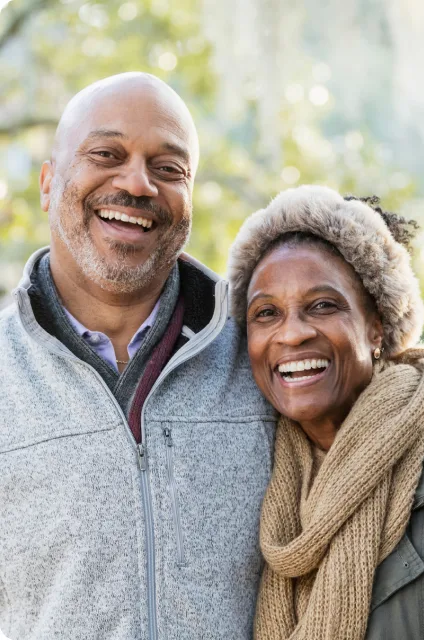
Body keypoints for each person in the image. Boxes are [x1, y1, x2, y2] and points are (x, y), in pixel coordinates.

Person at [0, 73, 276, 640]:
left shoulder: (264, 362)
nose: (137, 183)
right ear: (49, 183)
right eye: (106, 153)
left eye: (168, 168)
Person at [228, 185, 424, 640]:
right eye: (266, 313)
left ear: (377, 326)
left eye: (323, 306)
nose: (291, 335)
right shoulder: (245, 471)